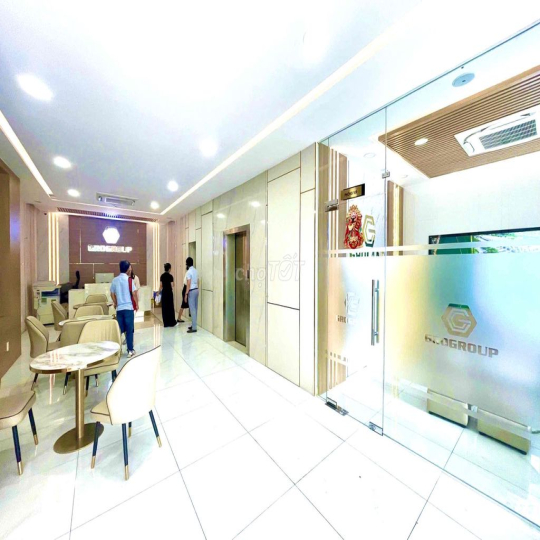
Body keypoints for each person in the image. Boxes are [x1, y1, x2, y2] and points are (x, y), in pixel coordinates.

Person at [111, 260, 138, 357]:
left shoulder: (115, 280)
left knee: (120, 330)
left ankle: (118, 350)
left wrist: (115, 302)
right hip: (128, 308)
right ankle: (130, 350)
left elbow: (112, 293)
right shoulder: (129, 280)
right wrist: (137, 304)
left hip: (119, 309)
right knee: (129, 330)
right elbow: (134, 293)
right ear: (127, 269)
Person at [159, 263, 176, 327]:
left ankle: (166, 323)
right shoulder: (170, 276)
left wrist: (158, 292)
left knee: (164, 307)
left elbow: (161, 286)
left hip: (164, 293)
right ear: (169, 269)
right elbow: (172, 285)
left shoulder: (162, 276)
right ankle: (171, 322)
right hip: (169, 293)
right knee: (170, 307)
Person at [184, 257, 199, 333]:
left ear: (187, 264)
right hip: (196, 290)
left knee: (192, 309)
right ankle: (194, 325)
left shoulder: (188, 272)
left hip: (192, 291)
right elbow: (198, 281)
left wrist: (186, 294)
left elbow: (188, 284)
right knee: (195, 309)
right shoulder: (196, 271)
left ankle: (194, 328)